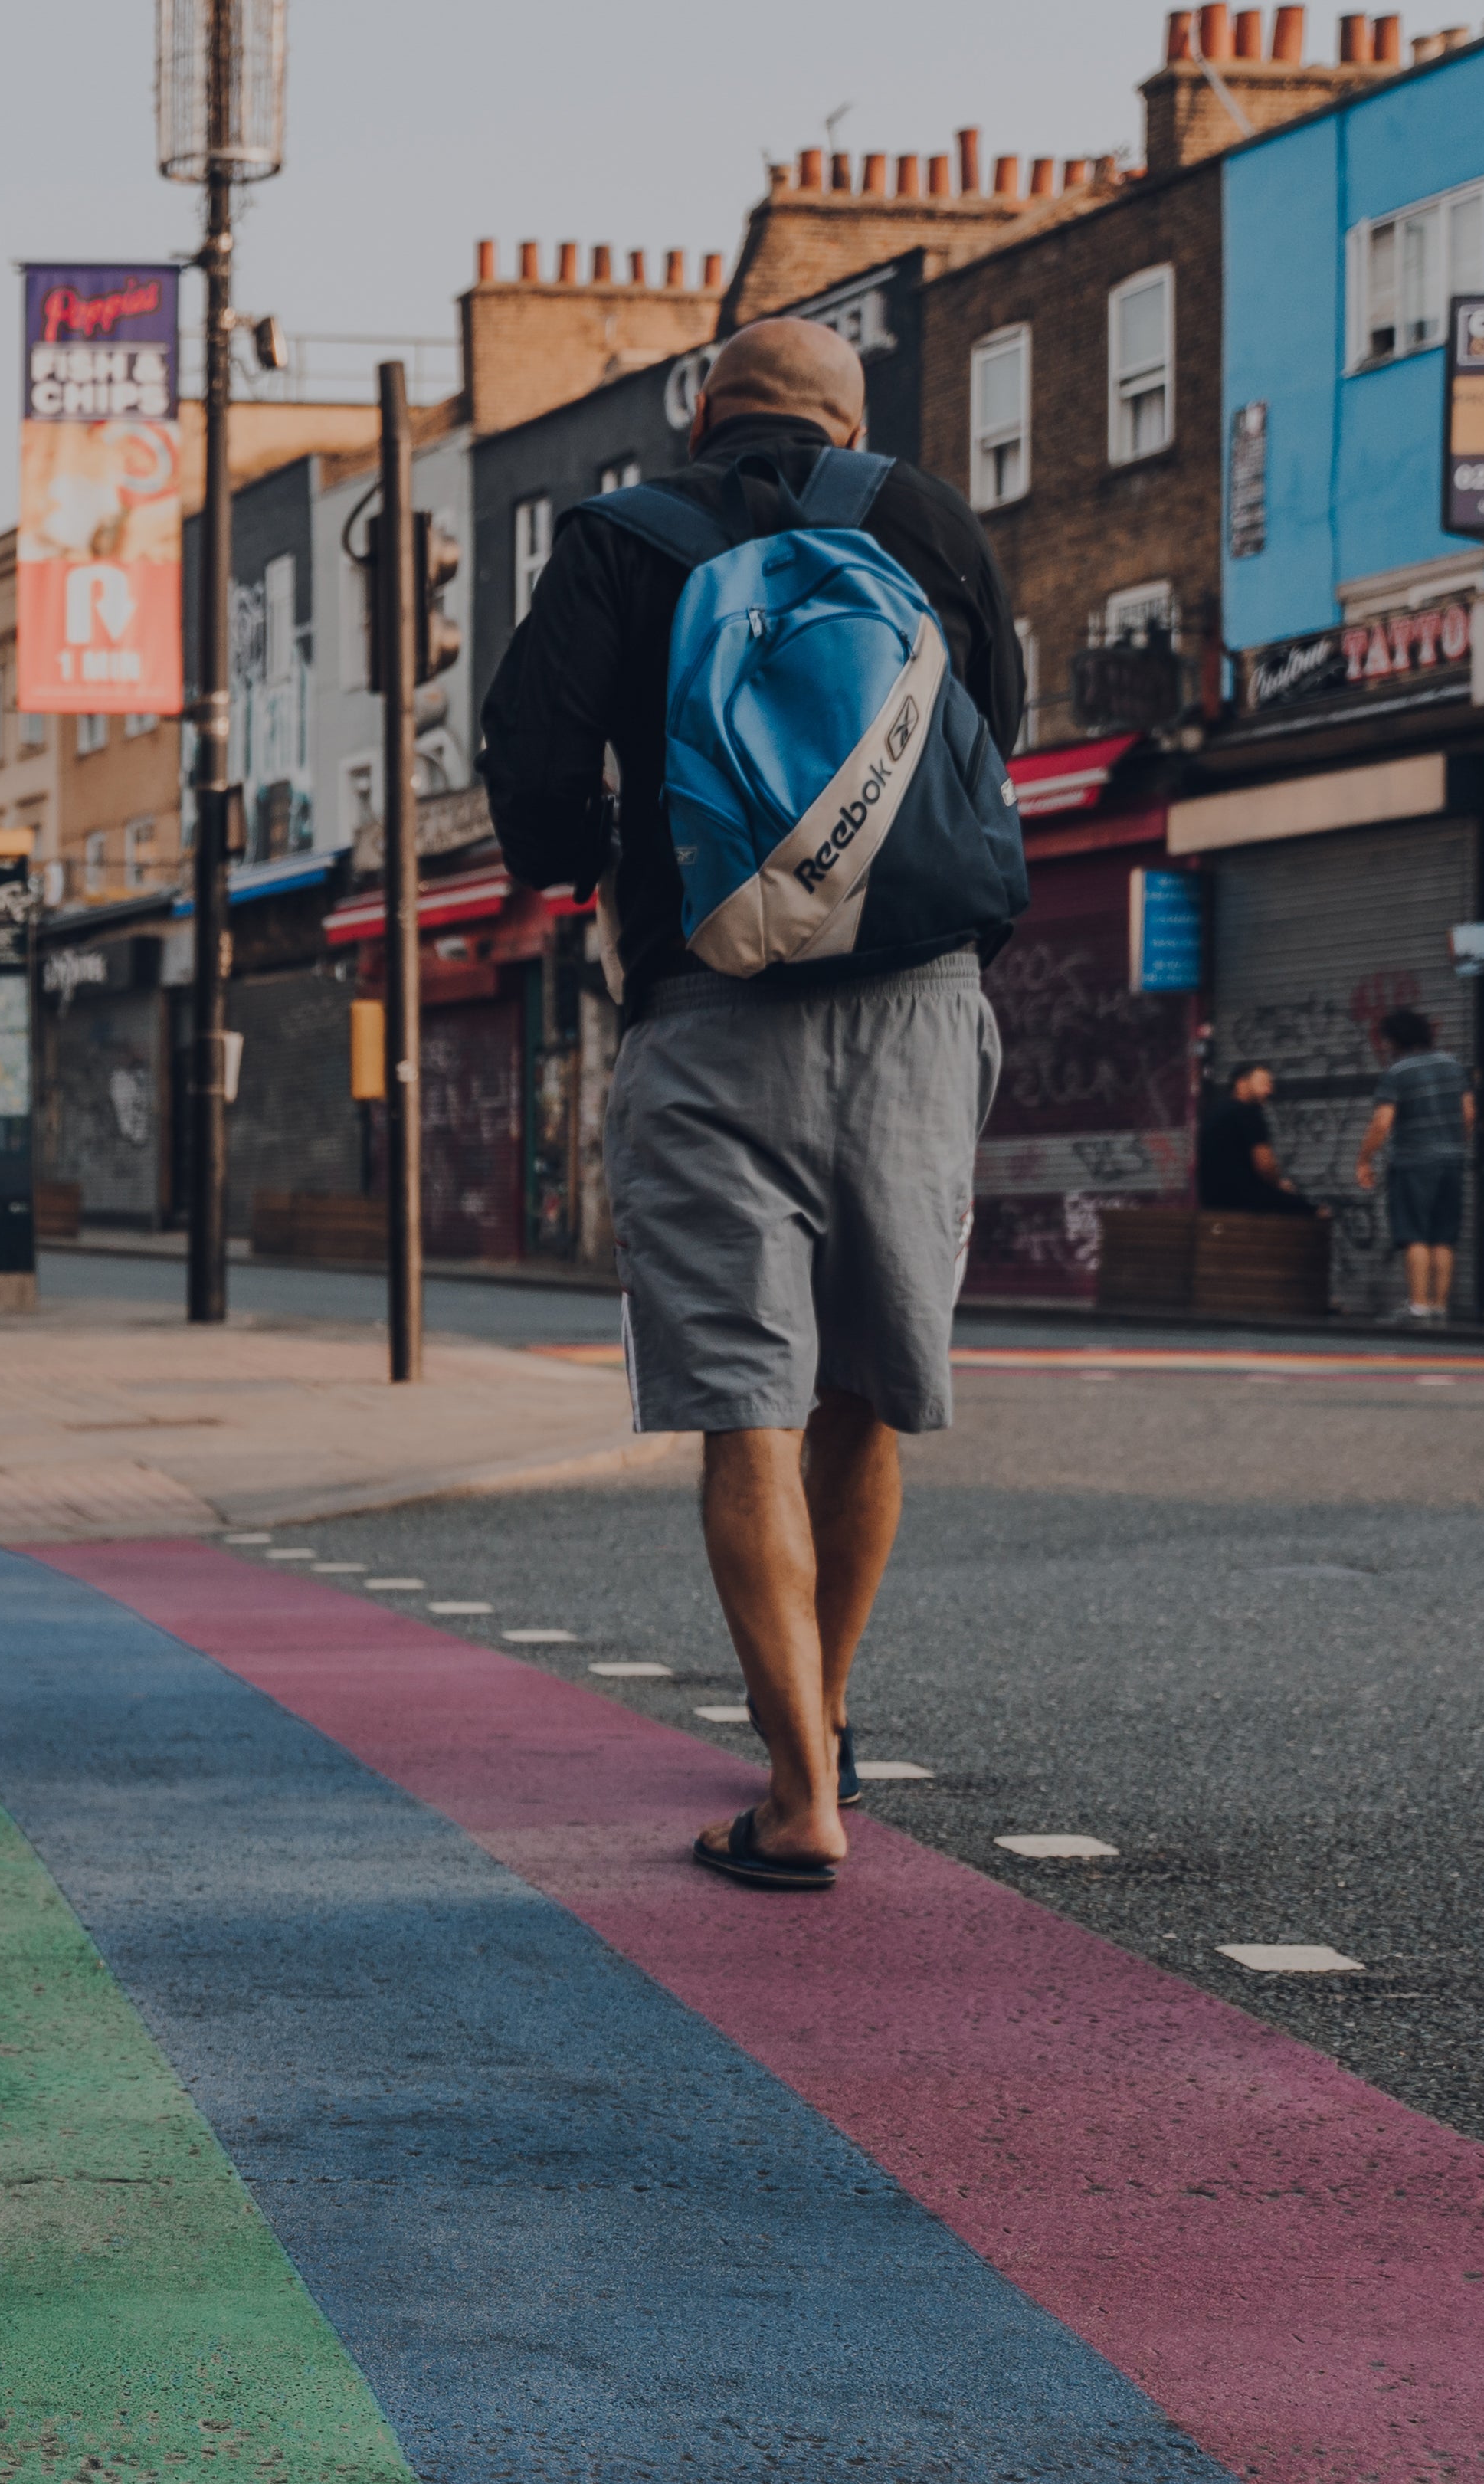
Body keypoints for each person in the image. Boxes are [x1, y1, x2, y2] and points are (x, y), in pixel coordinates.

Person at [479, 311, 1020, 1893]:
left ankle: (796, 1791)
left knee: (749, 1408)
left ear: (701, 415)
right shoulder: (925, 521)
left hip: (708, 1010)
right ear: (851, 415)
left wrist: (600, 865)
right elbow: (1002, 744)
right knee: (862, 1392)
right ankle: (828, 1719)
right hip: (918, 1010)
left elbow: (529, 776)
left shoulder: (619, 540)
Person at [1358, 1005, 1473, 1322]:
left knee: (1415, 1235)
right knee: (1443, 1236)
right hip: (1452, 1161)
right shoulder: (1453, 1066)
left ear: (1396, 1039)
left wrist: (1364, 1159)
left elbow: (1382, 1123)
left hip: (1413, 1163)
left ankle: (1419, 1306)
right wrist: (1453, 1143)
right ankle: (1439, 1307)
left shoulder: (1397, 1072)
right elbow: (1469, 1114)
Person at [1195, 1059, 1313, 1214]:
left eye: (1269, 1084)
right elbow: (1265, 1166)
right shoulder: (1249, 1113)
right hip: (1246, 1201)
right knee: (1313, 1212)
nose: (1269, 1090)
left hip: (1213, 1202)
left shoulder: (1214, 1114)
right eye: (1263, 1083)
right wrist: (1279, 1185)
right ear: (1242, 1083)